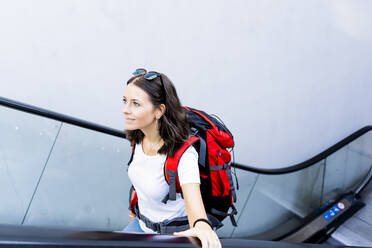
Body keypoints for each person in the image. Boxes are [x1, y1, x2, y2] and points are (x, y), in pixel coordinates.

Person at [121, 68, 222, 248]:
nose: (125, 110)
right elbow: (141, 179)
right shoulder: (138, 138)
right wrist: (133, 213)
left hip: (171, 237)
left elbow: (196, 211)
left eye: (135, 104)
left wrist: (202, 226)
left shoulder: (184, 155)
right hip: (141, 226)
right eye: (125, 101)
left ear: (159, 111)